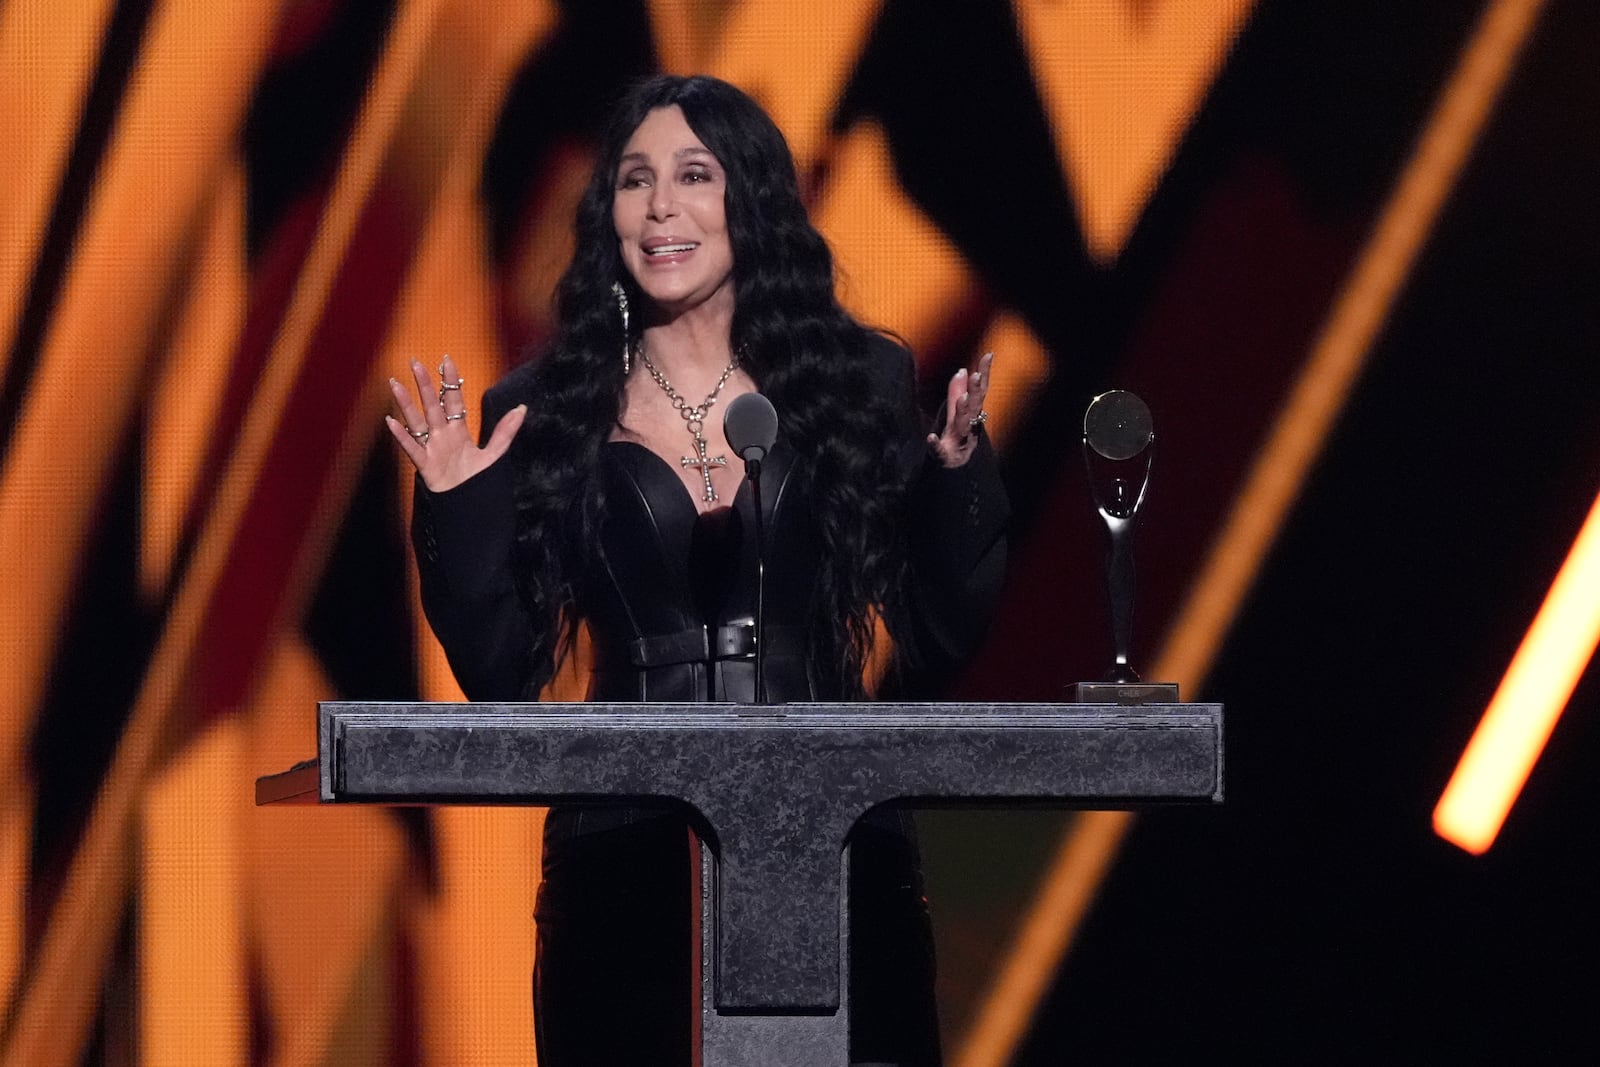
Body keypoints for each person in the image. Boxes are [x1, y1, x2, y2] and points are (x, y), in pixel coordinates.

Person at [387, 74, 1007, 1066]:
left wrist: (952, 480)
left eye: (692, 175)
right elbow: (502, 668)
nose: (661, 206)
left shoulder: (858, 380)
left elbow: (938, 626)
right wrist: (462, 504)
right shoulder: (542, 405)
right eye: (635, 181)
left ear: (751, 200)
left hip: (837, 841)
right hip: (624, 858)